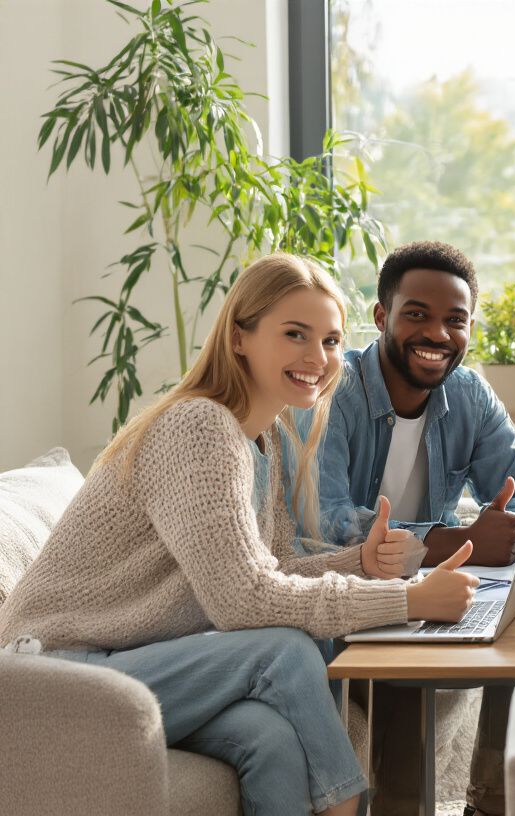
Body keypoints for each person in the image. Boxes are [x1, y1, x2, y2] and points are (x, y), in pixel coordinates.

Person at [0, 254, 480, 816]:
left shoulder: (262, 441)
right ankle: (348, 804)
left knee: (268, 739)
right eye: (295, 335)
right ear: (239, 338)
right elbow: (242, 602)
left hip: (132, 663)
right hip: (50, 678)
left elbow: (268, 573)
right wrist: (406, 598)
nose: (317, 358)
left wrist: (360, 563)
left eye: (330, 341)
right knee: (284, 649)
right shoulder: (198, 427)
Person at [298, 240, 515, 816]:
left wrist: (510, 523)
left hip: (425, 588)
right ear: (381, 317)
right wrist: (453, 541)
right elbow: (326, 524)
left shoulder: (470, 393)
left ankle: (490, 804)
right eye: (417, 315)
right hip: (345, 590)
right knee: (404, 667)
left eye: (455, 320)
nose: (437, 334)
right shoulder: (332, 391)